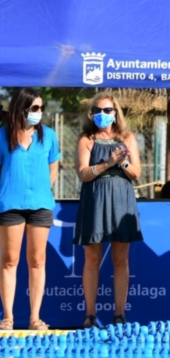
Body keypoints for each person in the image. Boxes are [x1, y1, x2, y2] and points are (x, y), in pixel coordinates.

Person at [74, 93, 142, 327]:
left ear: (116, 114)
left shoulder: (128, 137)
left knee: (120, 260)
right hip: (94, 200)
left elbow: (136, 173)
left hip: (121, 200)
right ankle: (90, 314)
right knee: (92, 259)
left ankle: (119, 314)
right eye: (99, 111)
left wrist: (122, 163)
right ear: (91, 114)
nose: (103, 115)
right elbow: (83, 174)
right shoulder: (86, 139)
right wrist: (108, 163)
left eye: (108, 110)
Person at [0, 88, 60, 330]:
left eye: (41, 108)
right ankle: (8, 317)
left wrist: (43, 191)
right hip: (10, 205)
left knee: (37, 261)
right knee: (9, 261)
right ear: (21, 108)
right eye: (35, 108)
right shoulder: (3, 135)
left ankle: (35, 318)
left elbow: (53, 168)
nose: (39, 112)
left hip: (40, 206)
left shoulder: (49, 135)